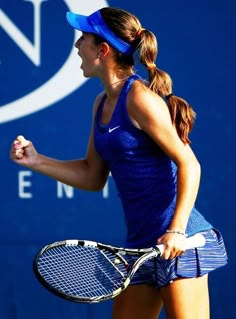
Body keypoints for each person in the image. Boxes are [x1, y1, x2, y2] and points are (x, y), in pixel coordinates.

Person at [10, 7, 227, 319]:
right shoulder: (101, 104)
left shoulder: (140, 99)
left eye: (82, 37)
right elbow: (92, 175)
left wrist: (177, 231)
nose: (76, 45)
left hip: (180, 242)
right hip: (141, 248)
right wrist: (36, 160)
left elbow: (189, 164)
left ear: (103, 49)